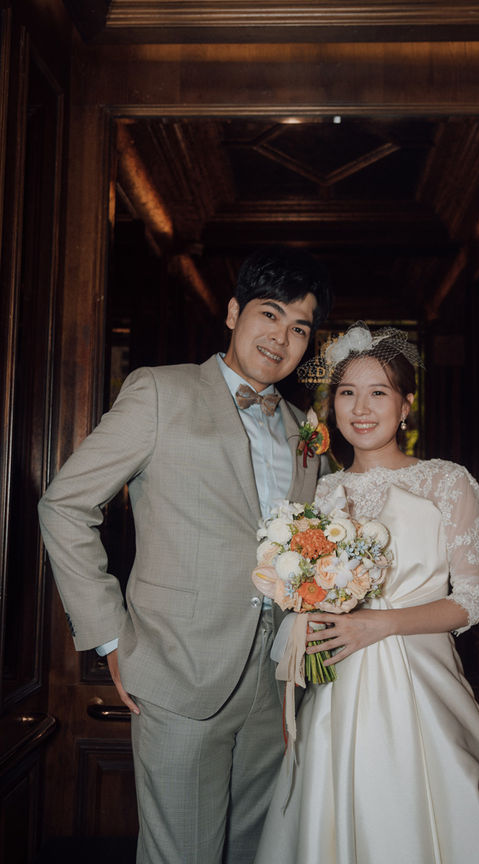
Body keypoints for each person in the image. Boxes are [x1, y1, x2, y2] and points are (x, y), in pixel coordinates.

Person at [37, 245, 332, 864]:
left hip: (276, 682)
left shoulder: (306, 431)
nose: (281, 338)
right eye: (269, 314)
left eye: (299, 328)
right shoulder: (160, 391)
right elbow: (65, 505)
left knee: (256, 851)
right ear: (233, 312)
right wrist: (111, 638)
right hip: (178, 671)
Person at [255, 323, 479, 864]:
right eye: (346, 393)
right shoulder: (319, 493)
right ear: (332, 406)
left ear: (405, 406)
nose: (361, 408)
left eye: (378, 392)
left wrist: (380, 624)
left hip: (423, 685)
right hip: (336, 688)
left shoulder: (447, 482)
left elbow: (473, 600)